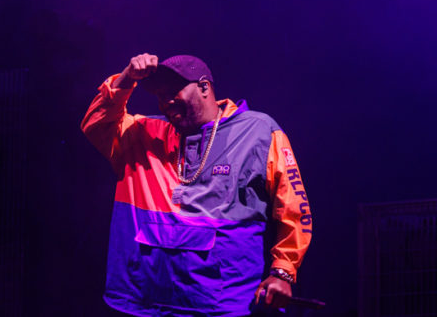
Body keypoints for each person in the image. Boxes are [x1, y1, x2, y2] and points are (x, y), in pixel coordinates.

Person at [81, 53, 312, 316]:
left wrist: (283, 271)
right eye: (160, 94)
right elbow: (96, 124)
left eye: (173, 91)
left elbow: (294, 209)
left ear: (204, 87)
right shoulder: (142, 133)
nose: (166, 101)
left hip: (220, 304)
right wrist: (127, 78)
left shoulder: (257, 131)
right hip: (141, 301)